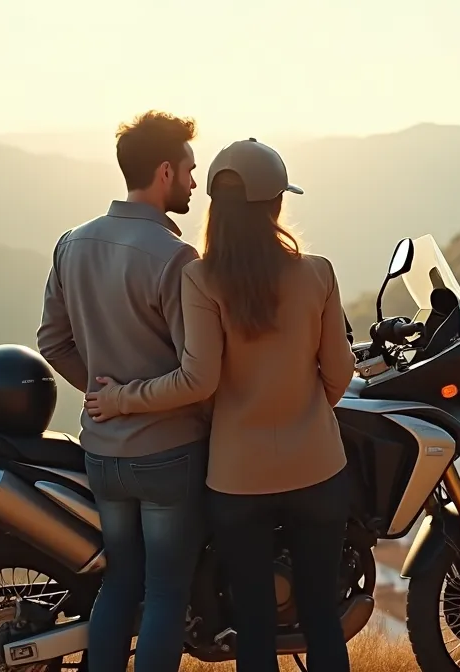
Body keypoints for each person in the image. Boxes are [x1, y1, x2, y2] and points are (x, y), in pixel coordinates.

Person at [82, 137, 356, 672]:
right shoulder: (316, 273)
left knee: (254, 621)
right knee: (321, 616)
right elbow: (340, 371)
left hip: (235, 480)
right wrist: (307, 410)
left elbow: (197, 381)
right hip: (318, 469)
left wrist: (120, 399)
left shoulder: (200, 278)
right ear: (275, 204)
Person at [36, 110, 209, 672]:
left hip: (103, 453)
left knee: (119, 585)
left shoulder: (71, 243)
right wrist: (130, 396)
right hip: (169, 455)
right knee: (164, 593)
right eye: (188, 170)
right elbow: (194, 376)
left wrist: (100, 393)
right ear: (164, 171)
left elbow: (52, 342)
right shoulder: (178, 260)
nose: (192, 182)